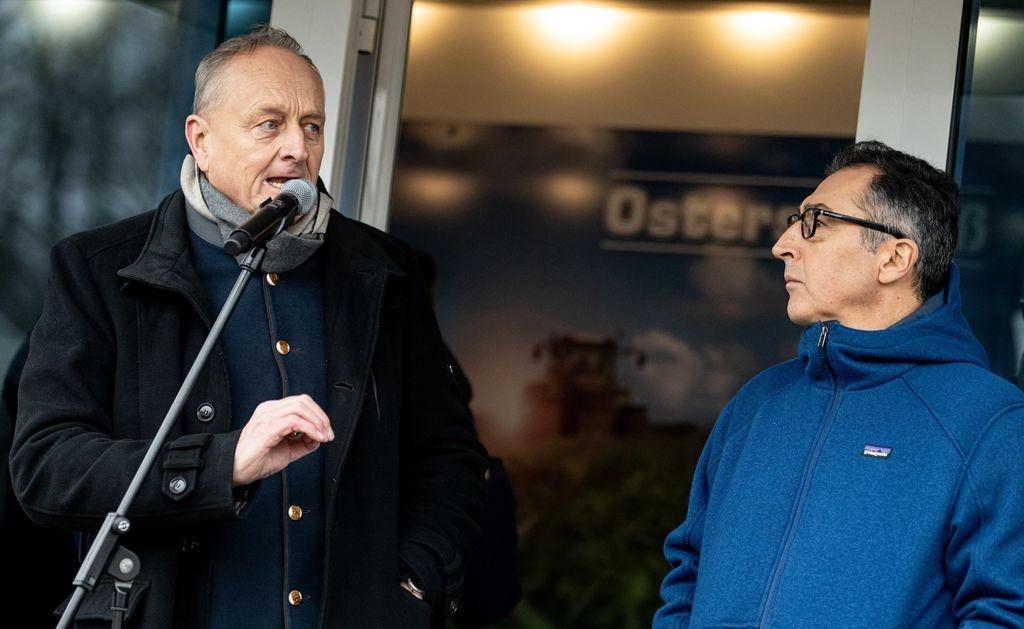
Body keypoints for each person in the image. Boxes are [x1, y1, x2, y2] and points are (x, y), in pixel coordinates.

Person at [10, 26, 487, 628]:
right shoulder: (100, 268)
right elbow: (47, 467)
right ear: (201, 140)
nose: (297, 148)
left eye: (311, 126)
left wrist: (413, 585)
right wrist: (222, 463)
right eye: (269, 124)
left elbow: (449, 457)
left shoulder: (385, 271)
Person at [654, 141, 1024, 627]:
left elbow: (1005, 612)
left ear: (894, 258)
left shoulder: (990, 423)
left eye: (816, 222)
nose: (783, 245)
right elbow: (688, 573)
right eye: (796, 220)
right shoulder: (759, 402)